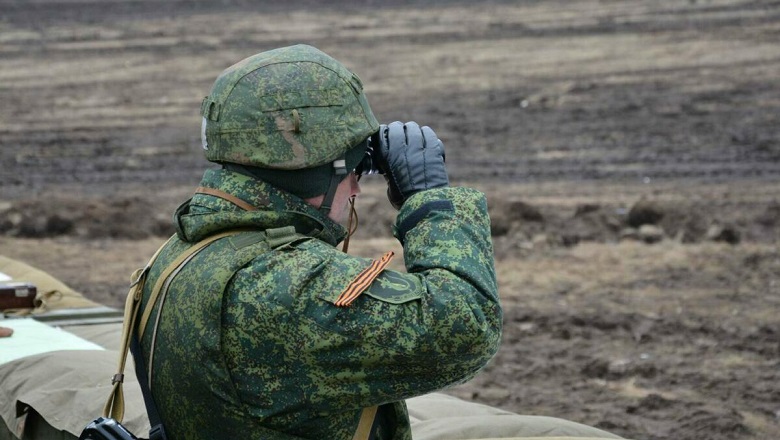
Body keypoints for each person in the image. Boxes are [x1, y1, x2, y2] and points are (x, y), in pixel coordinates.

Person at [133, 44, 502, 440]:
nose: (358, 185)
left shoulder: (183, 253)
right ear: (312, 174)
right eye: (353, 168)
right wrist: (429, 201)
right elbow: (467, 325)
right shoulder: (283, 287)